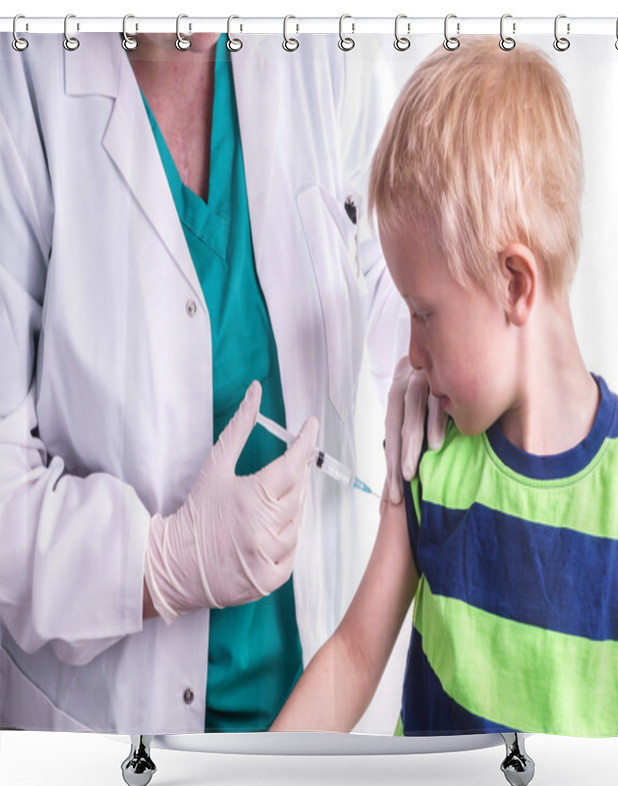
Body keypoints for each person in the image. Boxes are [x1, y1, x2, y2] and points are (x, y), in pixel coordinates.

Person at [0, 30, 438, 734]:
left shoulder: (323, 46)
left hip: (307, 700)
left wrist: (428, 345)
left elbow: (384, 252)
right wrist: (160, 565)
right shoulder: (22, 82)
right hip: (108, 726)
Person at [271, 37, 618, 737]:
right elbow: (353, 657)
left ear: (514, 284)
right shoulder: (434, 461)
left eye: (424, 313)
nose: (409, 352)